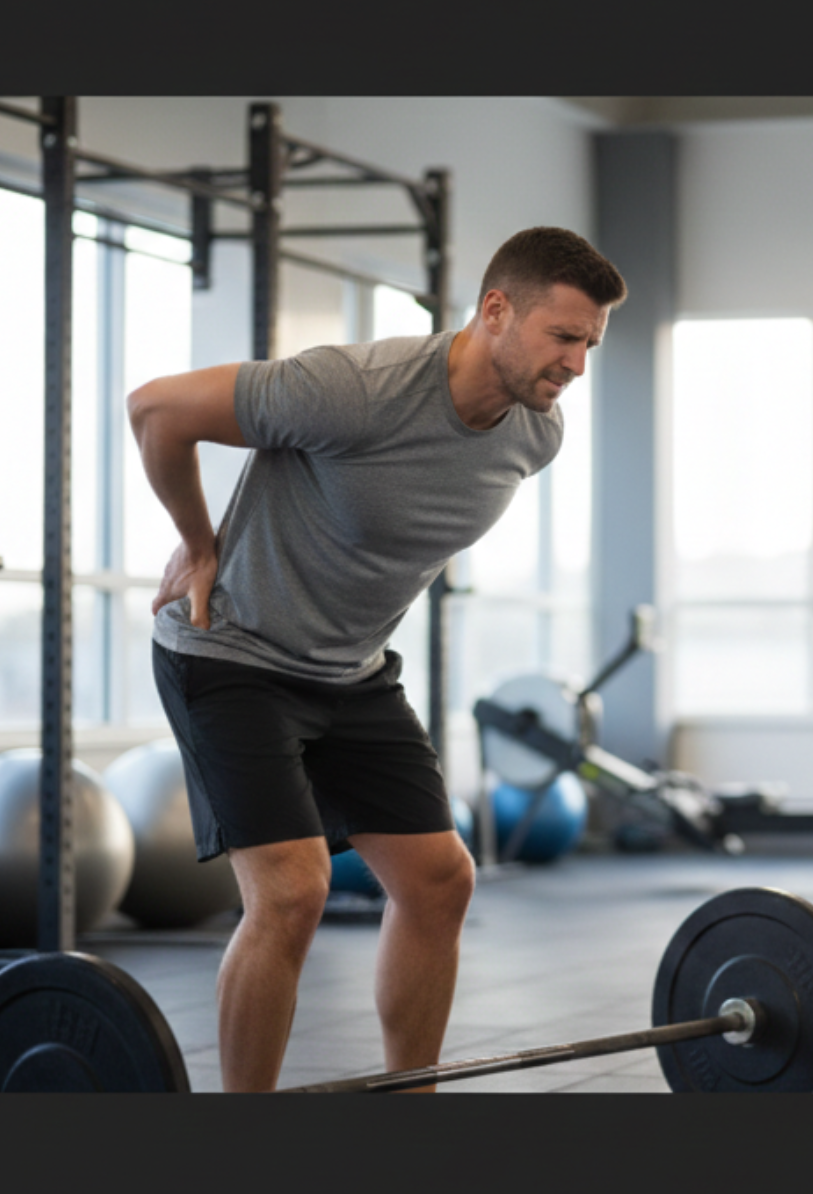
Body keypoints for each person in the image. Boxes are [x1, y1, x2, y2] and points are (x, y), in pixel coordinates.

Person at [127, 226, 627, 1092]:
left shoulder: (536, 435)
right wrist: (199, 543)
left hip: (350, 672)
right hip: (234, 658)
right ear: (496, 311)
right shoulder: (355, 390)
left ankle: (409, 1106)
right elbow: (157, 409)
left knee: (440, 880)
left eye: (590, 344)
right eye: (563, 337)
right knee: (293, 893)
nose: (577, 365)